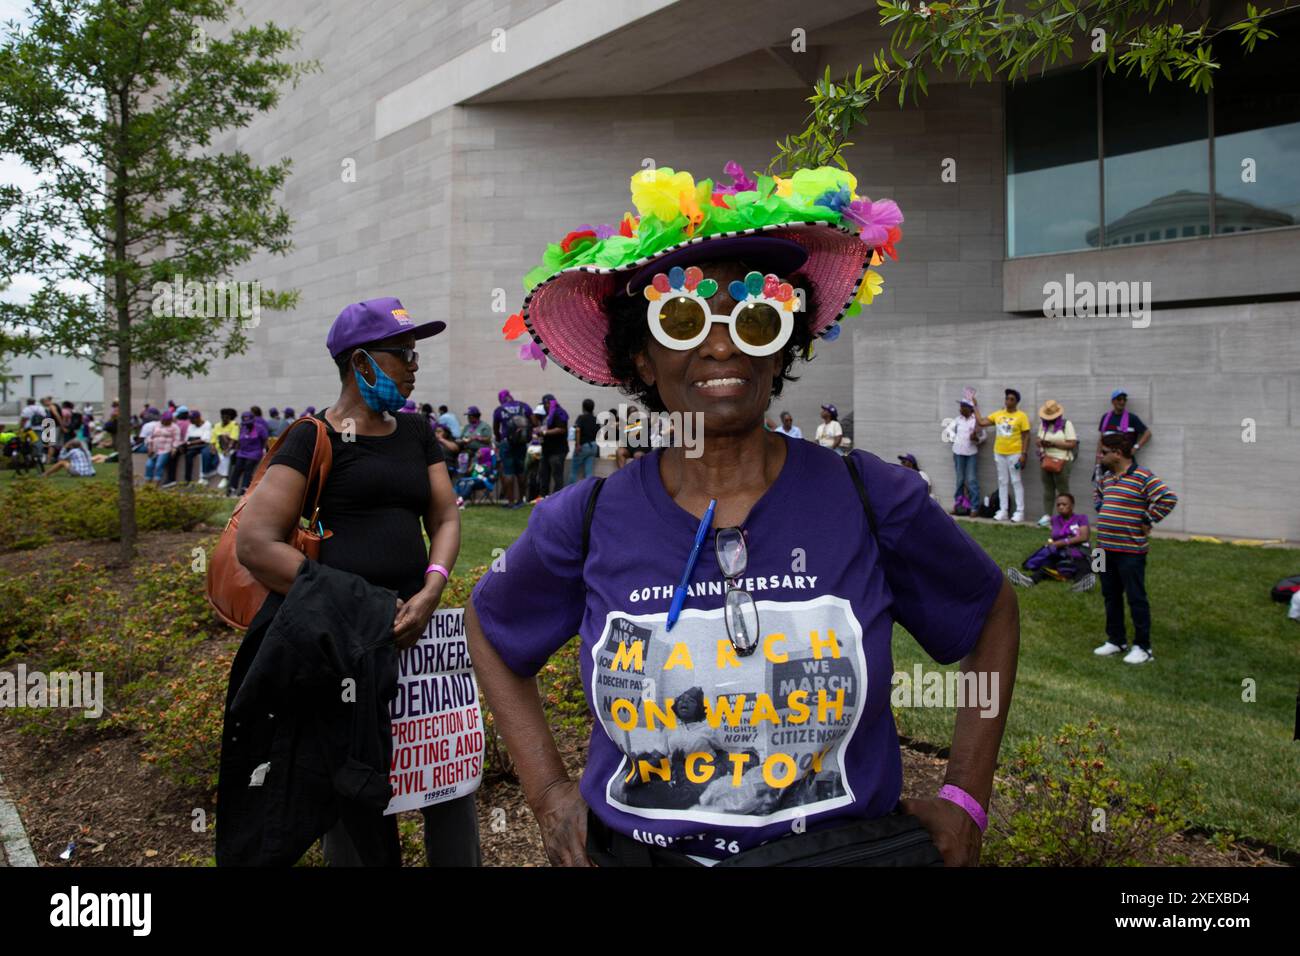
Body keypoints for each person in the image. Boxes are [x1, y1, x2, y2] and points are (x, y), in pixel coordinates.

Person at [470, 161, 1017, 867]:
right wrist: (546, 791)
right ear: (641, 358)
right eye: (683, 319)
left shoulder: (872, 497)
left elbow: (990, 611)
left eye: (754, 318)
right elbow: (488, 626)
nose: (722, 345)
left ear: (783, 345)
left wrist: (966, 800)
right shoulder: (585, 518)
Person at [234, 295, 476, 867]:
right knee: (353, 789)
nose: (416, 367)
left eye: (416, 355)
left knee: (447, 783)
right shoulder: (310, 437)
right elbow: (256, 543)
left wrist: (433, 585)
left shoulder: (417, 433)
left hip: (419, 642)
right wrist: (362, 605)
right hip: (343, 651)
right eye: (405, 355)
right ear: (362, 362)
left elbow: (443, 517)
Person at [1092, 433, 1178, 664]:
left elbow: (1168, 498)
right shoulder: (1106, 478)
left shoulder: (1143, 476)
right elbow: (1098, 497)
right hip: (1102, 549)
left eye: (1104, 452)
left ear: (1117, 453)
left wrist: (1148, 519)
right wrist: (1106, 510)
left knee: (1136, 596)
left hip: (1130, 551)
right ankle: (1116, 640)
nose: (1099, 456)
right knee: (1109, 594)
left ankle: (1143, 647)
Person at [1006, 493, 1094, 591]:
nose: (1061, 507)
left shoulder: (1081, 518)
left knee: (1082, 566)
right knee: (1046, 567)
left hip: (1079, 552)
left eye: (1064, 504)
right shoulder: (1055, 520)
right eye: (1058, 505)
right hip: (1060, 553)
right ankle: (1029, 580)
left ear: (1072, 505)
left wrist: (1061, 542)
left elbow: (1083, 537)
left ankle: (1080, 584)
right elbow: (1054, 537)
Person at [974, 389, 1030, 522]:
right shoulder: (998, 414)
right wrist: (975, 406)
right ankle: (1003, 510)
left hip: (1015, 453)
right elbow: (982, 422)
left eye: (1012, 399)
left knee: (1016, 481)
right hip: (999, 452)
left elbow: (1026, 436)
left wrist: (1024, 454)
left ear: (1016, 402)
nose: (1008, 401)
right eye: (1007, 399)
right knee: (1002, 481)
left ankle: (1019, 512)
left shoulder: (1021, 416)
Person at [1034, 399, 1077, 527]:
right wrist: (1041, 443)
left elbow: (1072, 443)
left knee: (1063, 491)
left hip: (1062, 461)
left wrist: (1053, 443)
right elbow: (1037, 439)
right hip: (1046, 459)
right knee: (1048, 489)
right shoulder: (1044, 425)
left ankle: (1066, 518)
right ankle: (1047, 515)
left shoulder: (1066, 424)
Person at [943, 399, 983, 514]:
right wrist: (955, 439)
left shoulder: (976, 420)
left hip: (971, 453)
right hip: (958, 453)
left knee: (972, 480)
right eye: (960, 407)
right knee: (959, 479)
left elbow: (983, 436)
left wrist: (976, 439)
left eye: (962, 407)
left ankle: (974, 507)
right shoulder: (957, 420)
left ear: (969, 408)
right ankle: (958, 505)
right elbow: (948, 432)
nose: (960, 409)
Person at [493, 389, 532, 508]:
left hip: (507, 444)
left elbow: (496, 429)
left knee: (508, 472)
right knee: (521, 471)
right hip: (521, 443)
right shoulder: (524, 406)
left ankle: (510, 502)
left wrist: (499, 439)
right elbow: (533, 422)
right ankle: (521, 500)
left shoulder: (499, 410)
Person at [227, 411, 268, 497]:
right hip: (242, 452)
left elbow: (264, 440)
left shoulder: (259, 428)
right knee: (237, 468)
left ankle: (244, 488)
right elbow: (239, 440)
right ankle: (232, 488)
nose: (247, 424)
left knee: (248, 467)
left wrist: (264, 449)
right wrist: (235, 449)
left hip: (254, 452)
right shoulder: (243, 428)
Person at [537, 393, 569, 497]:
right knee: (544, 475)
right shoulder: (547, 415)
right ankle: (543, 498)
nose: (545, 406)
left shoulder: (559, 413)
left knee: (557, 476)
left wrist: (545, 432)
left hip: (557, 450)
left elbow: (561, 429)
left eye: (546, 404)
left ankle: (557, 499)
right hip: (547, 449)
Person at [146, 410, 182, 485]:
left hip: (165, 449)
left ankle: (155, 485)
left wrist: (174, 448)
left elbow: (177, 439)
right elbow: (150, 437)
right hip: (154, 449)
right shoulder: (156, 425)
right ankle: (147, 484)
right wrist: (150, 447)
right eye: (165, 420)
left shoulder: (175, 427)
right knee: (149, 465)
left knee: (159, 465)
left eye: (169, 421)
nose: (167, 422)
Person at [571, 398, 600, 482]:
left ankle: (571, 492)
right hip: (593, 446)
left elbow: (578, 430)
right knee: (589, 473)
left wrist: (577, 444)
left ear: (583, 407)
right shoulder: (596, 419)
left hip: (583, 446)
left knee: (574, 471)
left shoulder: (581, 417)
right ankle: (588, 491)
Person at [211, 408, 240, 491]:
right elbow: (213, 439)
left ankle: (225, 477)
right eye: (223, 417)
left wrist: (227, 449)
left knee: (226, 456)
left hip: (229, 448)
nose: (224, 419)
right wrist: (213, 447)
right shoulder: (217, 425)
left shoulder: (234, 425)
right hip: (218, 448)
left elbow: (234, 439)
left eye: (226, 417)